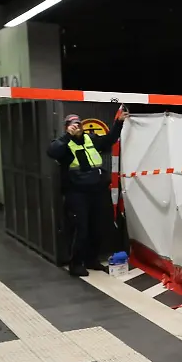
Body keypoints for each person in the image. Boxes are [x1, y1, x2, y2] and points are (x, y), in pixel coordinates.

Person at [46, 108, 127, 277]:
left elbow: (109, 140)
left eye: (78, 123)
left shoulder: (90, 139)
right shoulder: (63, 143)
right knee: (80, 229)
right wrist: (68, 136)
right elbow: (52, 151)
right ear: (67, 127)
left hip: (96, 190)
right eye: (72, 124)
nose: (77, 126)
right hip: (77, 193)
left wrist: (119, 123)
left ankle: (92, 260)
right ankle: (75, 264)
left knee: (97, 227)